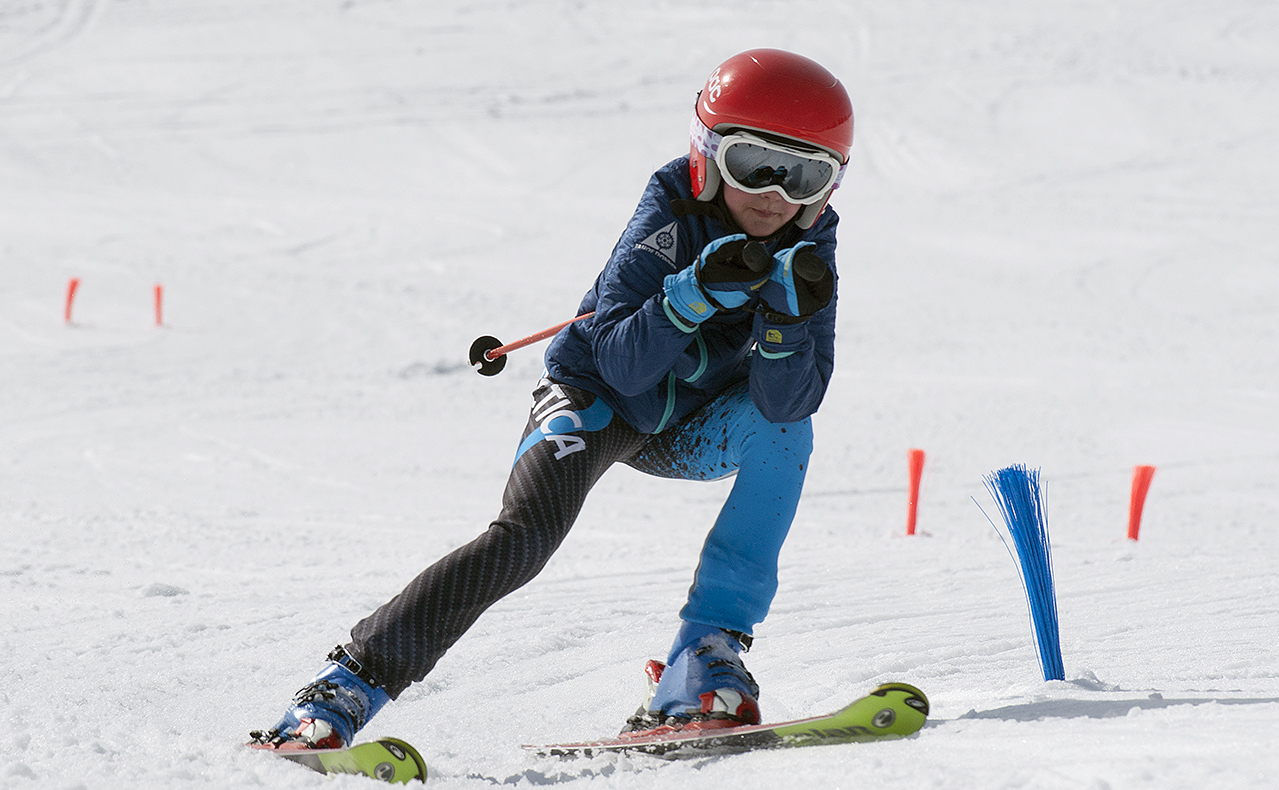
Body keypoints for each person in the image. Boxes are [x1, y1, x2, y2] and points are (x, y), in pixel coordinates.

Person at [251, 48, 854, 749]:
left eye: (805, 174)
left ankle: (702, 657)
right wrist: (688, 296)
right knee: (526, 539)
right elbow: (623, 367)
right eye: (756, 165)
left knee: (788, 434)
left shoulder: (809, 240)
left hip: (689, 426)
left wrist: (784, 326)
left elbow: (789, 402)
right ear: (708, 153)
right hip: (597, 399)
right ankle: (343, 687)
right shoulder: (670, 209)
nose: (776, 195)